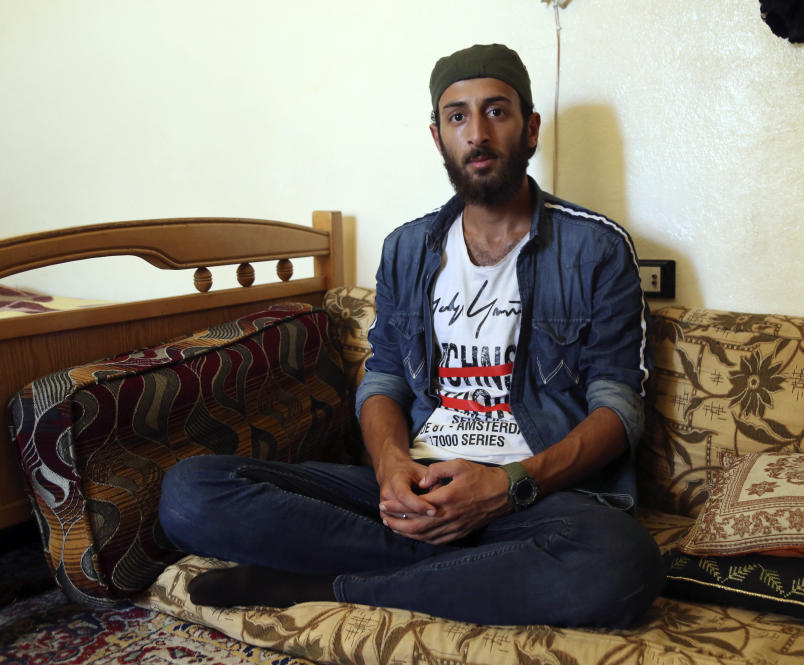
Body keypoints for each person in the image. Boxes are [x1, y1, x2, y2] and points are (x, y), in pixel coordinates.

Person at [159, 43, 664, 628]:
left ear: (530, 129)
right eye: (457, 116)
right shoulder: (407, 249)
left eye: (496, 112)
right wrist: (392, 468)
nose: (477, 132)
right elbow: (385, 378)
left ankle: (330, 584)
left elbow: (620, 410)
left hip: (534, 499)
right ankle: (469, 573)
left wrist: (506, 487)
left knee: (620, 563)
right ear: (437, 137)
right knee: (190, 493)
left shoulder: (596, 247)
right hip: (417, 485)